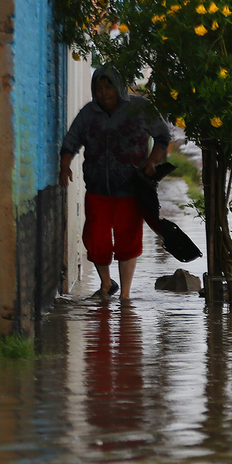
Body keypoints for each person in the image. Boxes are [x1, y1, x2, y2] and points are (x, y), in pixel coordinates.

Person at [59, 66, 170, 300]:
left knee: (128, 239)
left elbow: (162, 137)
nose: (103, 92)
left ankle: (125, 295)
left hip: (131, 190)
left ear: (118, 87)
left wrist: (152, 161)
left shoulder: (140, 108)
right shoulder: (88, 114)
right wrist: (65, 165)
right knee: (95, 239)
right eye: (98, 88)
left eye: (108, 86)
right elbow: (71, 141)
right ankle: (107, 284)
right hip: (98, 190)